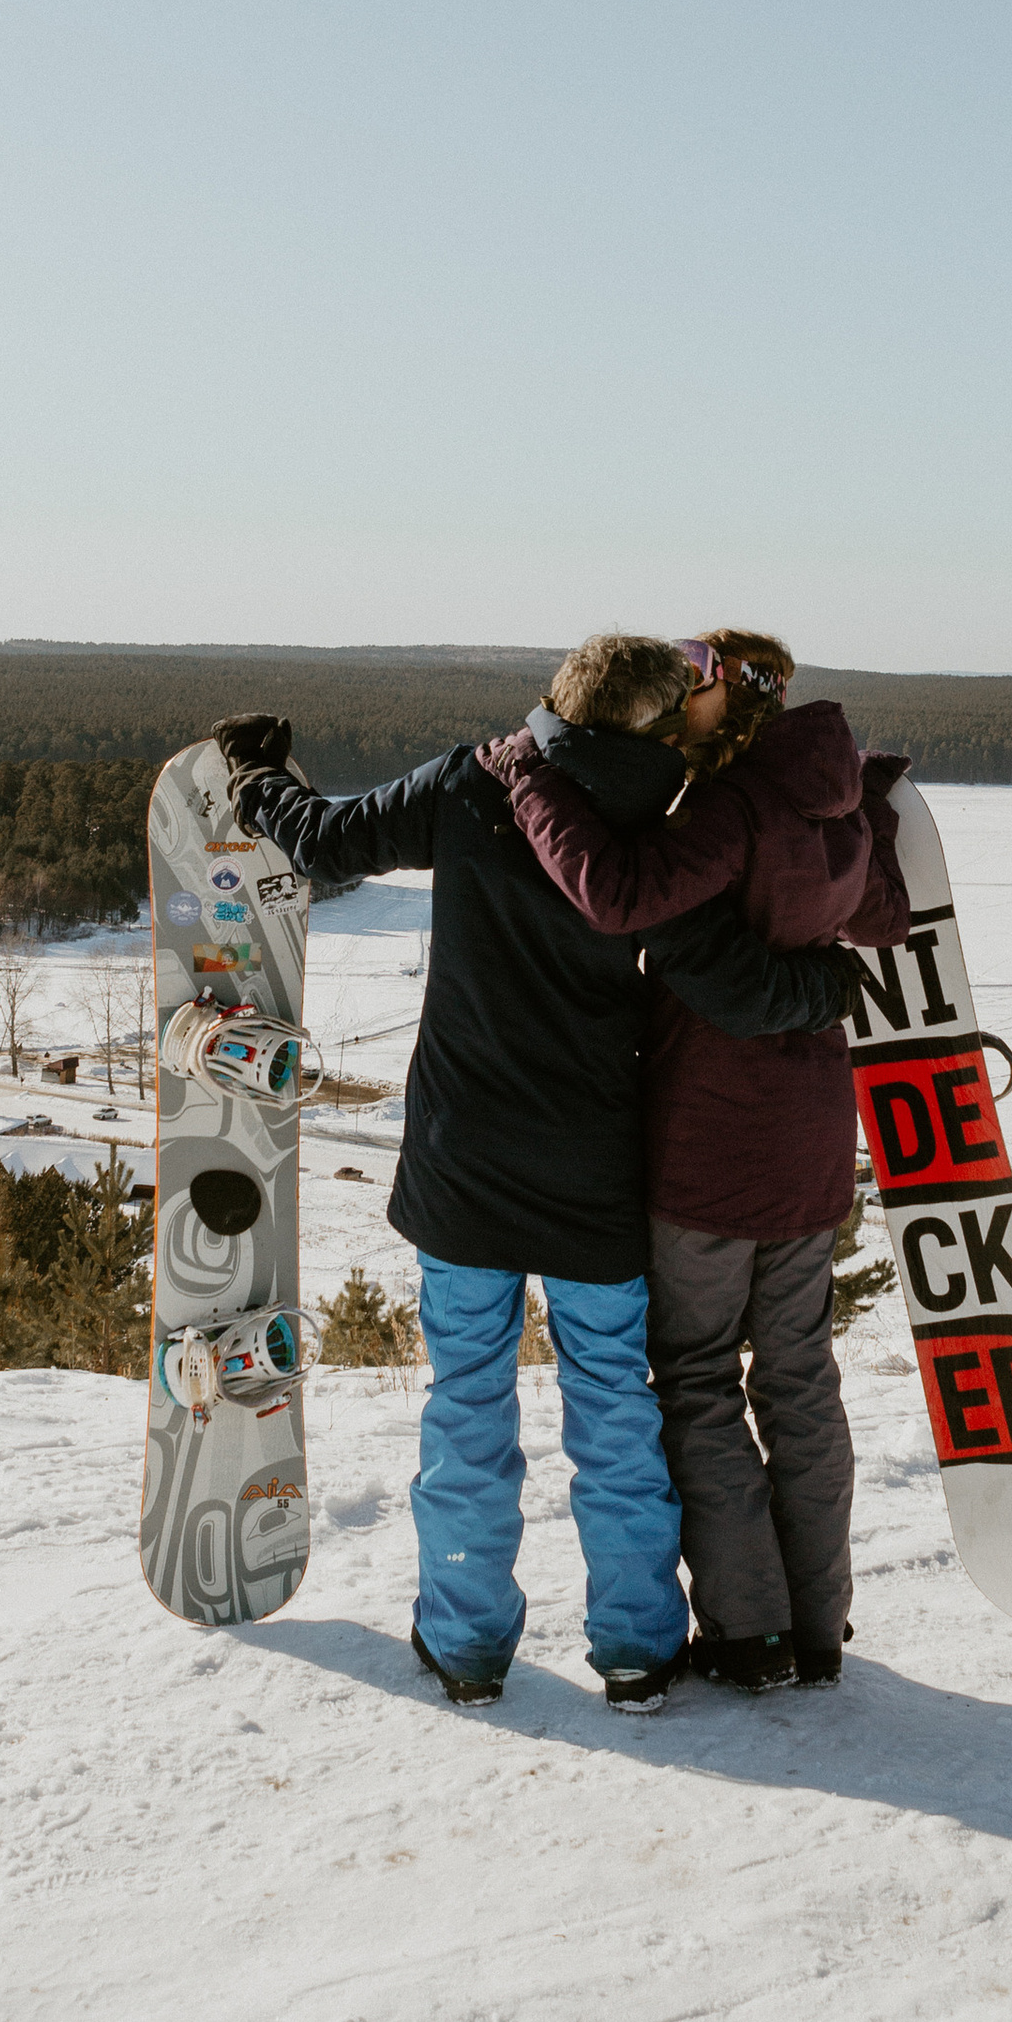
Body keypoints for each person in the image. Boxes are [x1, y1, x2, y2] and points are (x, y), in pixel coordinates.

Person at [213, 638, 852, 1712]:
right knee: (614, 1408)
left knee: (468, 1399)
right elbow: (730, 983)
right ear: (657, 724)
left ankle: (466, 1646)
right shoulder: (665, 825)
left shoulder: (474, 781)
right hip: (596, 1169)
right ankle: (639, 1648)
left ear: (558, 701)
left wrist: (256, 775)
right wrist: (826, 987)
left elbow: (324, 843)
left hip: (464, 1159)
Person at [480, 630, 909, 1690]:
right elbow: (887, 915)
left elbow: (618, 898)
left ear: (732, 703)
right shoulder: (834, 806)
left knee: (700, 1379)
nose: (679, 705)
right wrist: (872, 807)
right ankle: (819, 1626)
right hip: (812, 1137)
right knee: (801, 1376)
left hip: (710, 1140)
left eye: (694, 685)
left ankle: (750, 1632)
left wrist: (531, 781)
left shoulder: (730, 808)